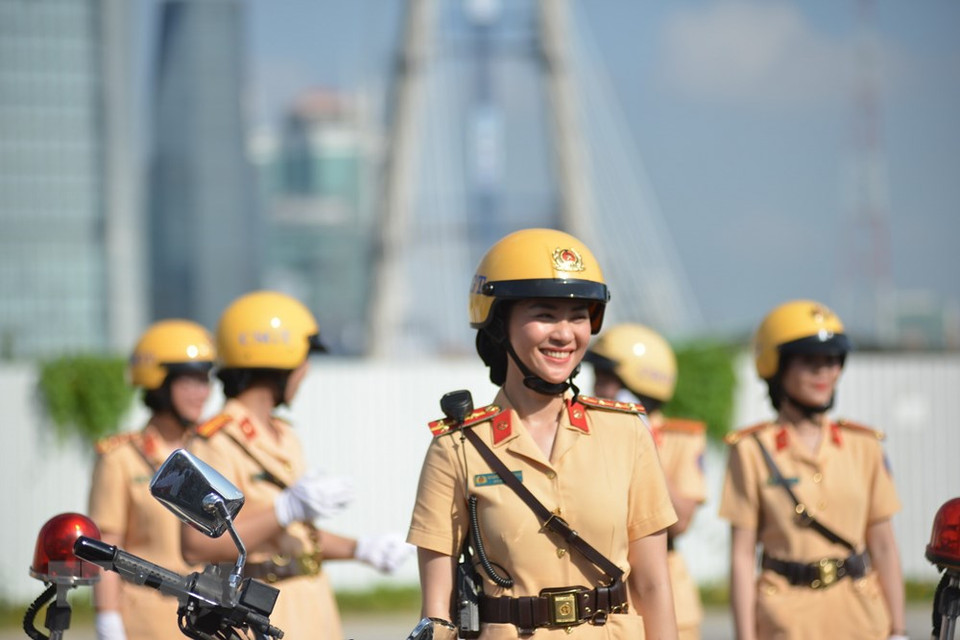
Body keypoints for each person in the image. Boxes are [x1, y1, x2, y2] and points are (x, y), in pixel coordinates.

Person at [407, 228, 679, 640]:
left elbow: (653, 585)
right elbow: (438, 612)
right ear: (500, 325)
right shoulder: (457, 446)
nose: (565, 333)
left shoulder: (627, 433)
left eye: (578, 316)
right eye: (545, 314)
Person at [182, 290, 411, 640]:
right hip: (254, 614)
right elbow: (197, 546)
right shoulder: (214, 442)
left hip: (311, 605)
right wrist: (283, 508)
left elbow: (294, 536)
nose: (305, 372)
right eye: (304, 359)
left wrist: (360, 548)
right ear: (279, 359)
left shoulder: (284, 435)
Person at [719, 300, 907, 640]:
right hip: (784, 621)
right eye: (810, 362)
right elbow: (742, 557)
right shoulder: (750, 451)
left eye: (833, 361)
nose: (826, 373)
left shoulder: (864, 446)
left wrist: (899, 630)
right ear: (775, 367)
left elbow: (883, 546)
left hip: (861, 618)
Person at [89, 319, 216, 640]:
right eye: (189, 380)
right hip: (146, 622)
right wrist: (108, 621)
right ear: (159, 384)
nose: (202, 392)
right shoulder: (121, 457)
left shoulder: (212, 451)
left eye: (205, 380)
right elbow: (106, 547)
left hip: (210, 622)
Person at [586, 323, 707, 640]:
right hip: (607, 597)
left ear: (637, 383)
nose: (596, 387)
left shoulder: (681, 439)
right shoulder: (588, 435)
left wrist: (642, 441)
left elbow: (680, 522)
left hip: (667, 594)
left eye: (607, 379)